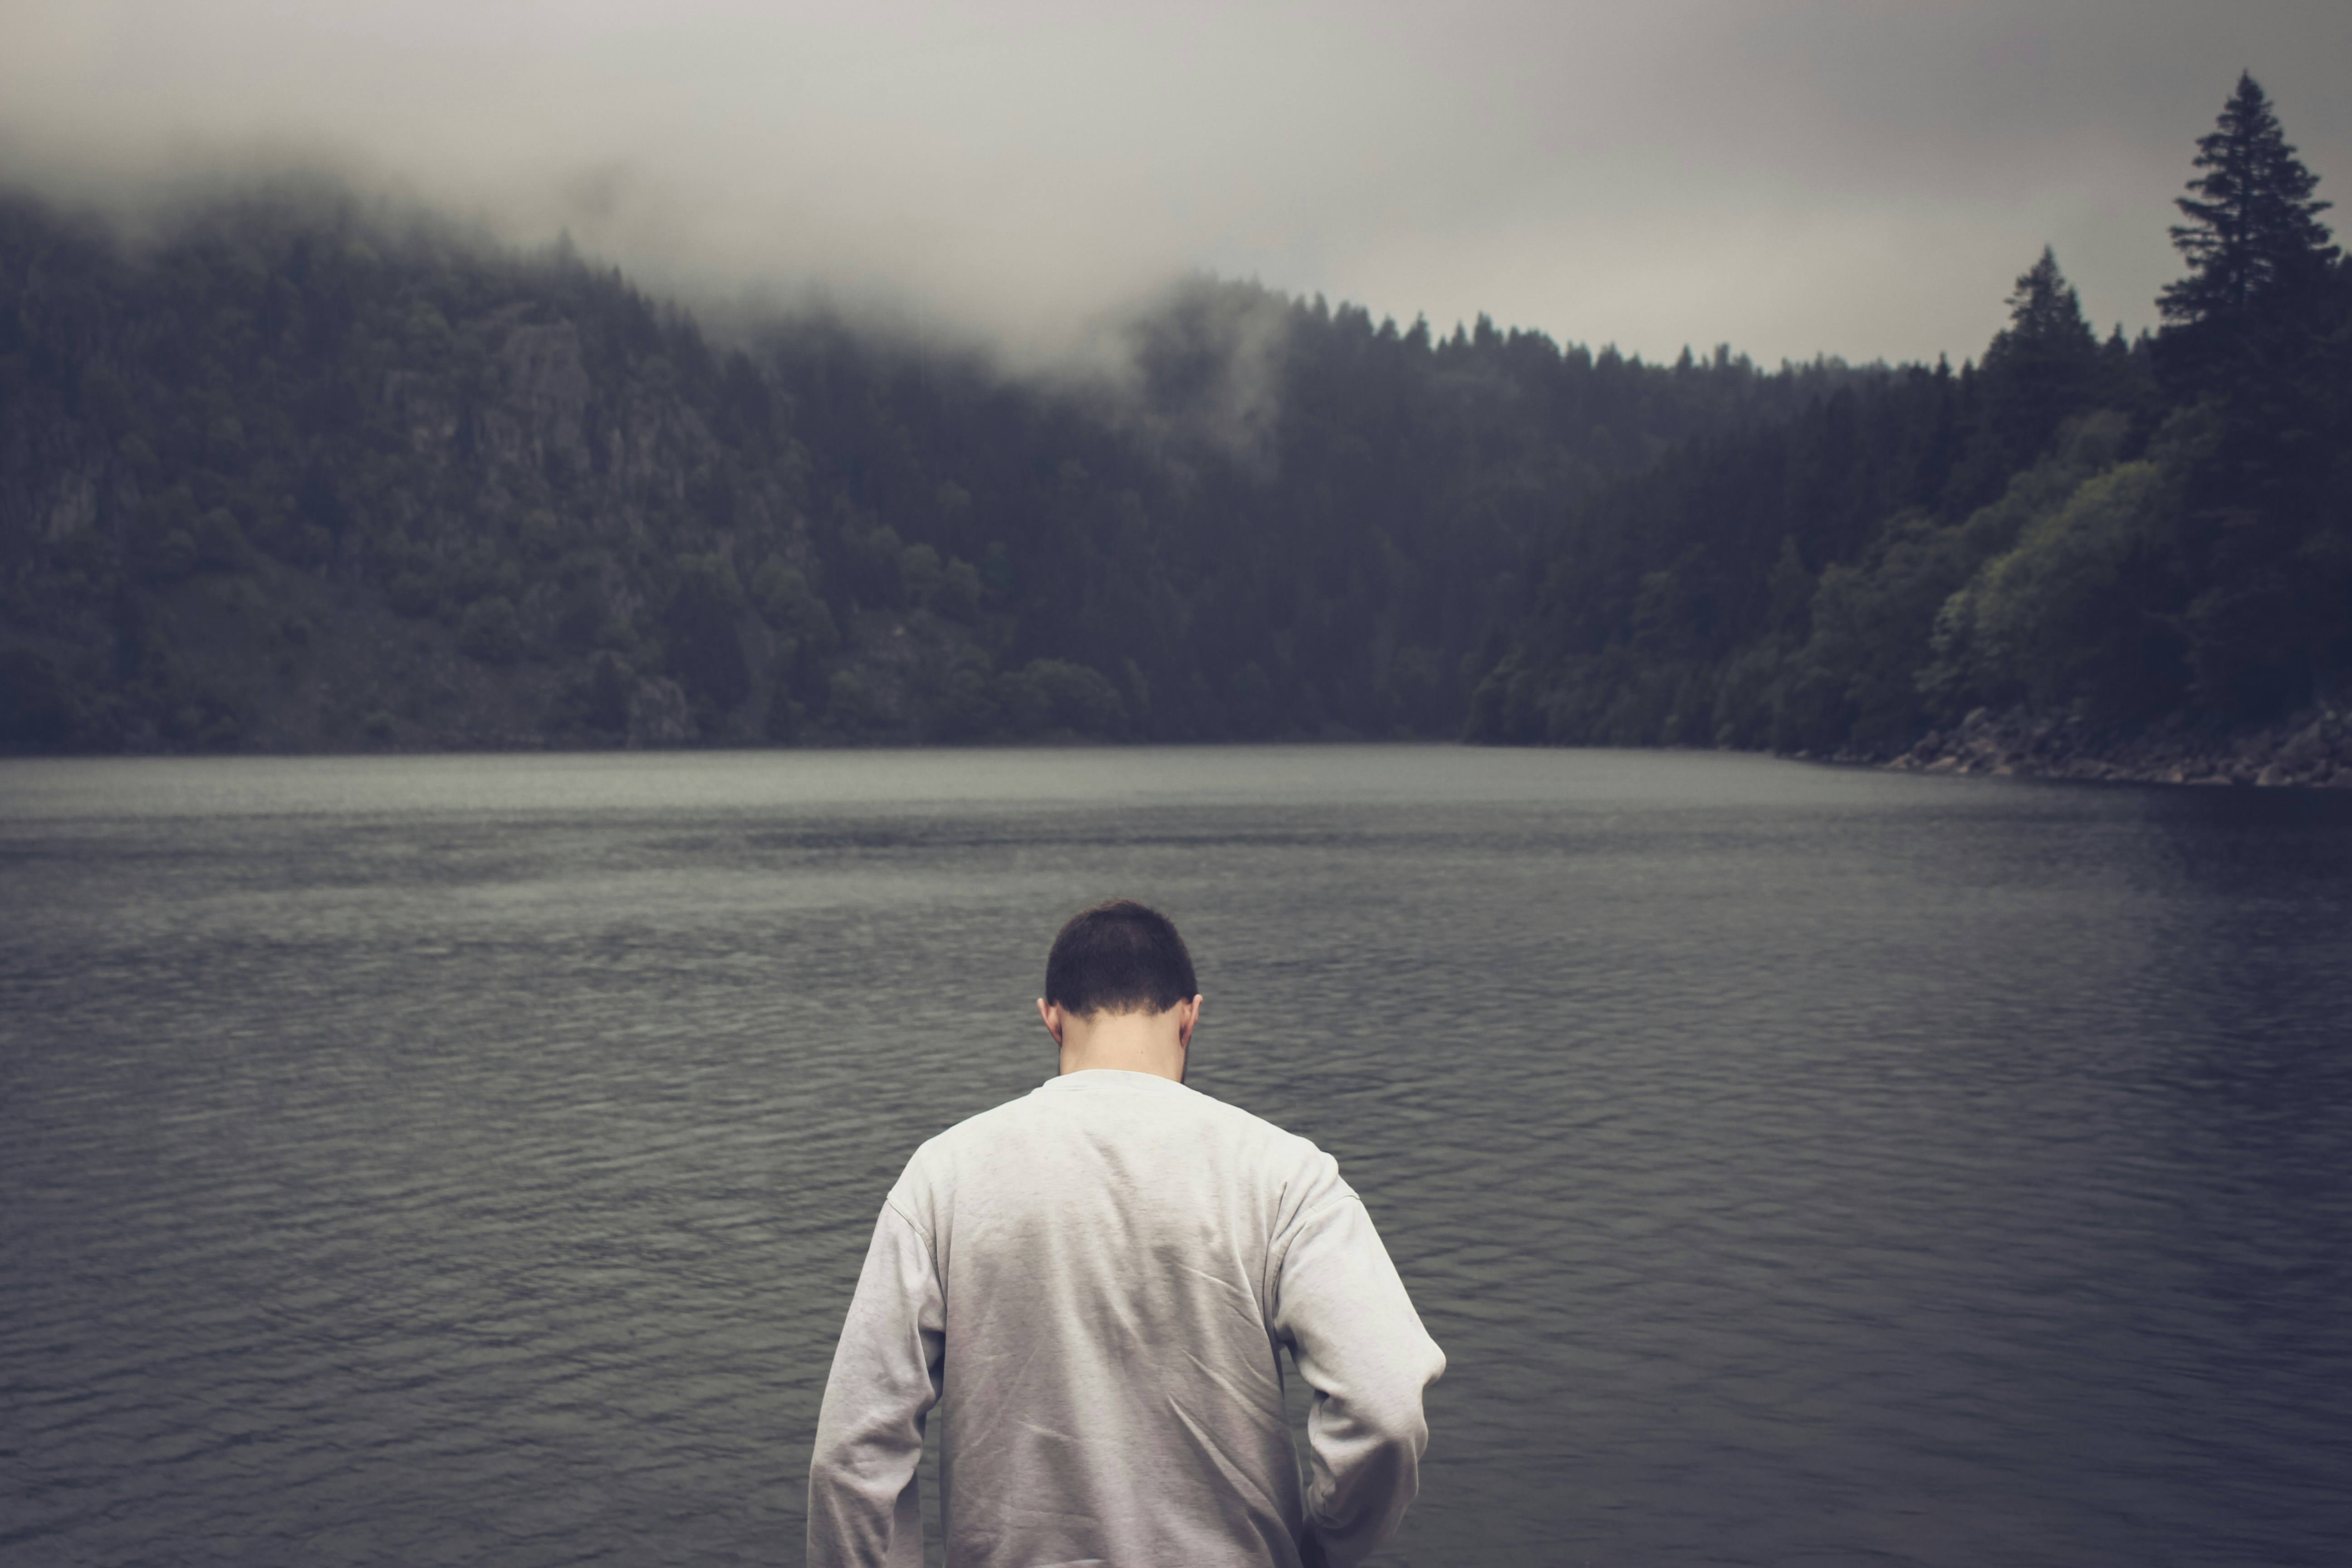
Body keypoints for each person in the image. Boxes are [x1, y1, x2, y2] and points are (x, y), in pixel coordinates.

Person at [807, 898, 1445, 1568]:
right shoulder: (1287, 1176)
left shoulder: (944, 1176)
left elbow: (851, 1457)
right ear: (1190, 1017)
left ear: (1051, 1018)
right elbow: (1385, 1409)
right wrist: (1326, 1545)